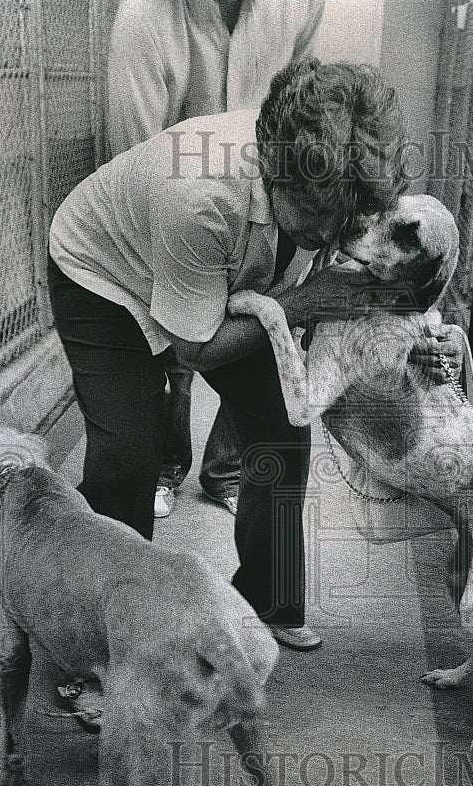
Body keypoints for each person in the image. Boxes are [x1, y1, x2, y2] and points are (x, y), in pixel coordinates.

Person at [48, 58, 408, 652]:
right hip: (102, 273)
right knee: (127, 457)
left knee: (282, 427)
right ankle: (99, 648)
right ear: (275, 175)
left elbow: (303, 265)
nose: (334, 235)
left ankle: (267, 597)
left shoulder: (324, 183)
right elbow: (195, 349)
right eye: (322, 219)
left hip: (217, 271)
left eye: (349, 219)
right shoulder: (201, 195)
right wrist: (304, 302)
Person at [107, 0, 326, 518]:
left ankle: (226, 471)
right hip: (178, 194)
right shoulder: (146, 11)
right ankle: (162, 466)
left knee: (263, 326)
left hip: (266, 189)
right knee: (174, 333)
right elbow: (134, 147)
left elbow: (305, 105)